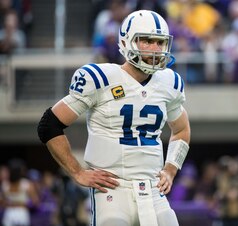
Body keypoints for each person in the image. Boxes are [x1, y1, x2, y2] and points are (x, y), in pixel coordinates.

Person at [37, 9, 191, 226]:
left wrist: (171, 168)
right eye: (147, 41)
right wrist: (77, 172)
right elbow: (49, 125)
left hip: (153, 189)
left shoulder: (169, 82)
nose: (155, 48)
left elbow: (182, 130)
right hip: (112, 189)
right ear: (127, 41)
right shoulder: (101, 78)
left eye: (160, 42)